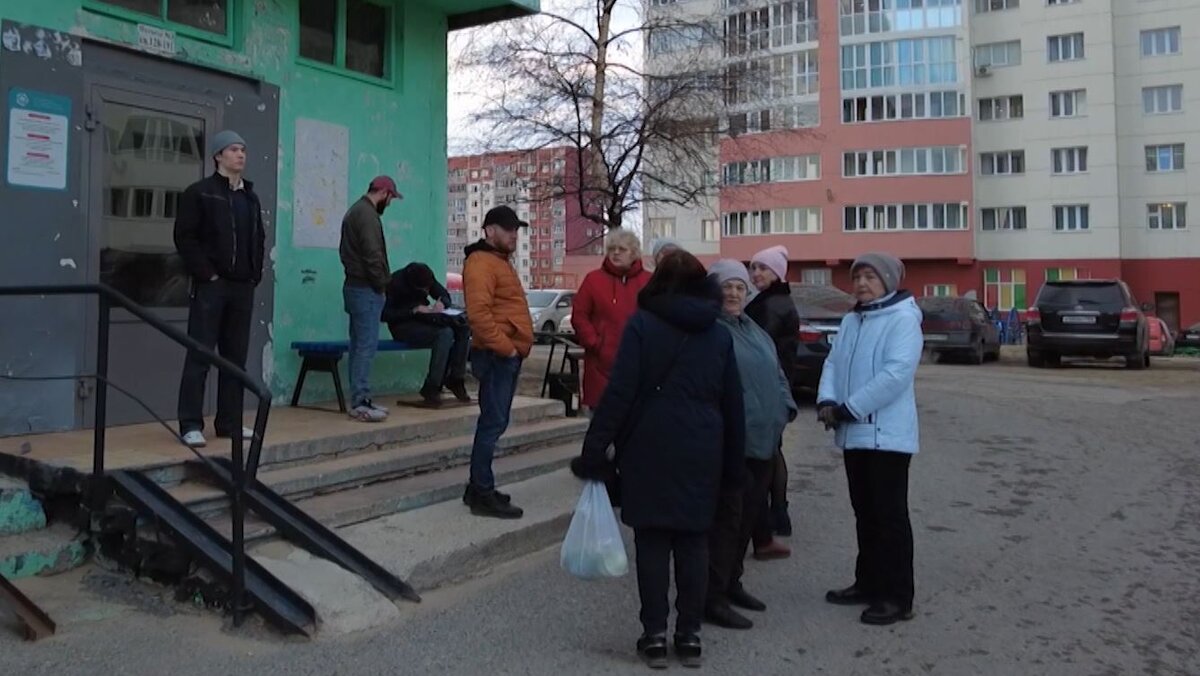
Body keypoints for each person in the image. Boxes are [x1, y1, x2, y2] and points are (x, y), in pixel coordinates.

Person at [571, 250, 745, 669]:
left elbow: (620, 392)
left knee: (651, 542)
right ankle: (689, 635)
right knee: (694, 543)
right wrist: (733, 464)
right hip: (702, 448)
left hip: (648, 446)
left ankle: (653, 636)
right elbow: (733, 405)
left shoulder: (642, 326)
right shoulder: (719, 334)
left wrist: (594, 449)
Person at [817, 252, 923, 626]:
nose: (862, 283)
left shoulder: (903, 319)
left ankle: (897, 596)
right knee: (865, 513)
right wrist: (827, 400)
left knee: (889, 517)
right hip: (856, 434)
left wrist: (850, 408)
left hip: (887, 437)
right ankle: (868, 582)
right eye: (858, 276)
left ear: (888, 281)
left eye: (870, 277)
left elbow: (896, 375)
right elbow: (833, 362)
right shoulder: (852, 319)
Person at [705, 259, 797, 631]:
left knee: (746, 520)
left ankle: (732, 583)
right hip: (732, 445)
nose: (733, 293)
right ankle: (712, 596)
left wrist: (785, 408)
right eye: (726, 286)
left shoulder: (754, 329)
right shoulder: (712, 331)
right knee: (726, 524)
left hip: (764, 441)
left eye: (740, 287)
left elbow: (777, 373)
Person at [174, 129, 266, 448]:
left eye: (243, 150)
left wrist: (254, 275)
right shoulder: (200, 193)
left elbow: (258, 238)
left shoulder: (250, 198)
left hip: (242, 288)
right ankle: (190, 424)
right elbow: (185, 237)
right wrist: (207, 275)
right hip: (211, 287)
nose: (240, 155)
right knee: (200, 354)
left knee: (235, 359)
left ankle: (229, 422)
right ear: (218, 156)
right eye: (233, 149)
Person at [462, 205, 534, 519]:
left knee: (494, 422)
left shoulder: (498, 261)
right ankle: (481, 492)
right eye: (507, 229)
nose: (514, 235)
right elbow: (479, 315)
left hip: (502, 355)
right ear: (490, 231)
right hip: (496, 356)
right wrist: (507, 349)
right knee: (492, 423)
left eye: (516, 229)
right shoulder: (481, 262)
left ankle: (477, 487)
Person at [745, 244, 799, 549]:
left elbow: (758, 344)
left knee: (770, 452)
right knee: (772, 449)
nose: (756, 273)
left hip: (771, 386)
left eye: (763, 268)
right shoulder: (769, 300)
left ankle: (776, 513)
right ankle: (777, 512)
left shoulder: (772, 305)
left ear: (777, 272)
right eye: (753, 267)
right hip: (777, 383)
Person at [340, 176, 401, 422]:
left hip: (356, 287)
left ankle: (361, 398)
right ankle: (360, 402)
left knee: (358, 346)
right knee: (365, 347)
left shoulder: (356, 211)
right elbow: (373, 255)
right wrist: (381, 285)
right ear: (384, 193)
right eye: (391, 198)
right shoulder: (367, 215)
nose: (390, 203)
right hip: (366, 289)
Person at [571, 229, 651, 412]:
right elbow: (580, 315)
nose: (615, 253)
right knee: (601, 419)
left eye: (622, 249)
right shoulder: (593, 280)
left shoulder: (649, 282)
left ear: (634, 253)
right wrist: (595, 342)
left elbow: (657, 317)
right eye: (611, 249)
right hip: (601, 364)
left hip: (639, 362)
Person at [382, 262, 471, 407]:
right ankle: (432, 386)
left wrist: (442, 303)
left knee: (462, 327)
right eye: (423, 289)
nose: (426, 291)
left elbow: (443, 294)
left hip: (424, 320)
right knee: (444, 334)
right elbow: (384, 314)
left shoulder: (426, 276)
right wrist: (413, 310)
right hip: (403, 326)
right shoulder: (394, 283)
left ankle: (456, 378)